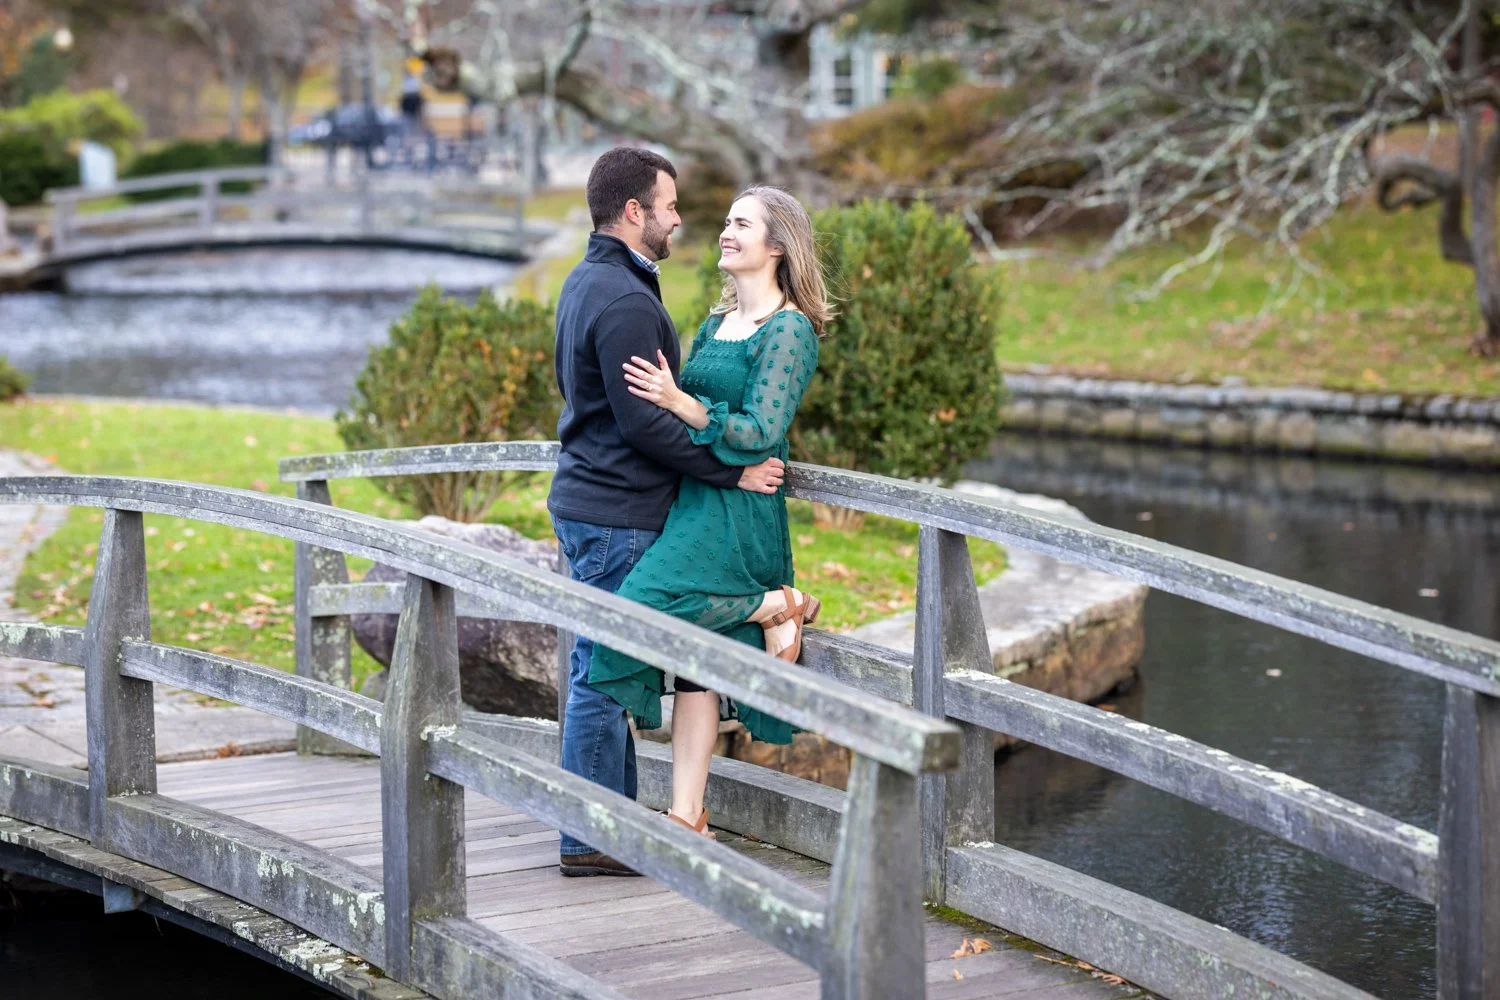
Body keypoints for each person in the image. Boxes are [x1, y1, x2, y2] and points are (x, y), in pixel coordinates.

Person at [550, 147, 787, 878]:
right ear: (633, 212)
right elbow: (643, 426)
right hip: (616, 510)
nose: (680, 220)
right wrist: (733, 468)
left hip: (593, 501)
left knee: (604, 663)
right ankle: (590, 836)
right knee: (602, 669)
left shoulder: (590, 280)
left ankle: (607, 826)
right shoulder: (623, 301)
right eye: (669, 206)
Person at [589, 184, 831, 842]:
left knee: (637, 609)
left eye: (742, 224)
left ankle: (769, 603)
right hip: (696, 499)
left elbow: (759, 430)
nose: (725, 231)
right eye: (726, 221)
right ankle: (687, 814)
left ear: (777, 245)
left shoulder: (790, 331)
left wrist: (679, 401)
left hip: (741, 509)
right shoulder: (712, 325)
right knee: (694, 666)